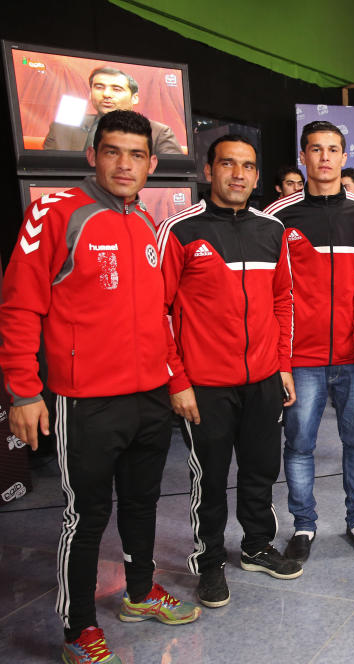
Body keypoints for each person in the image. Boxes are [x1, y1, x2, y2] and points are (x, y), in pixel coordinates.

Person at [0, 110, 200, 664]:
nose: (125, 164)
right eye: (113, 151)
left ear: (152, 164)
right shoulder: (55, 213)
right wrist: (23, 390)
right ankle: (78, 625)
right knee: (84, 515)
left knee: (142, 503)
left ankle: (139, 593)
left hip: (151, 398)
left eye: (137, 155)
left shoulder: (145, 227)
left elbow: (161, 316)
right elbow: (19, 306)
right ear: (93, 154)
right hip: (86, 401)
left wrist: (175, 381)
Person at [157, 134, 300, 609]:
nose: (238, 175)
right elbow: (159, 312)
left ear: (257, 176)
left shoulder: (271, 230)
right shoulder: (180, 230)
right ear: (208, 170)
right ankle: (210, 559)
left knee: (261, 471)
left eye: (247, 167)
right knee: (211, 479)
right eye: (228, 165)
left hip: (262, 380)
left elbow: (283, 300)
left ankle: (257, 546)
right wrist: (178, 381)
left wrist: (281, 364)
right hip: (205, 387)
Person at [263, 121, 354, 563]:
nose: (325, 158)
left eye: (333, 149)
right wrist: (280, 358)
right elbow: (270, 290)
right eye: (316, 149)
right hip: (302, 356)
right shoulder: (279, 215)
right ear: (304, 157)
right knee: (300, 445)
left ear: (345, 157)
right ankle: (304, 525)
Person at [43, 66, 183, 155]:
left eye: (116, 89)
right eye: (99, 87)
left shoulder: (159, 133)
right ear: (90, 94)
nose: (106, 94)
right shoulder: (62, 127)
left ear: (134, 98)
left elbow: (174, 180)